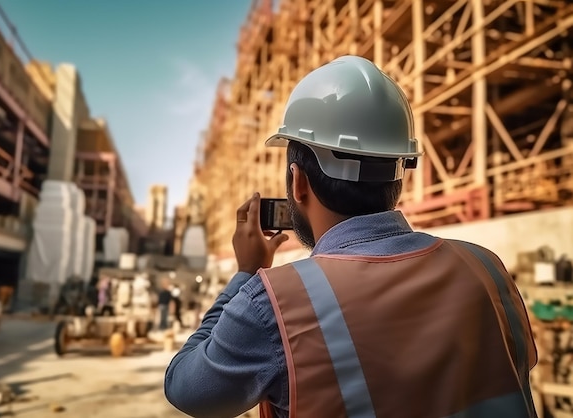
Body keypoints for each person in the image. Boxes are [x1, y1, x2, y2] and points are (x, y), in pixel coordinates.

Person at [164, 56, 538, 418]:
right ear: (398, 172)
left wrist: (247, 272)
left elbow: (187, 388)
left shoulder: (276, 304)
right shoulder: (487, 269)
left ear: (297, 181)